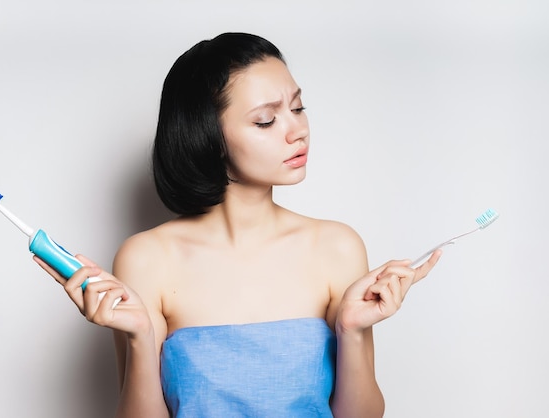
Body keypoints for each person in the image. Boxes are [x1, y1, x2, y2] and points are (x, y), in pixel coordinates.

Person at [35, 32, 441, 418]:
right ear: (208, 137)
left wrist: (351, 330)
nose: (297, 130)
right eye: (266, 121)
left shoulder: (337, 246)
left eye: (298, 108)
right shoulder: (147, 258)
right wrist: (141, 338)